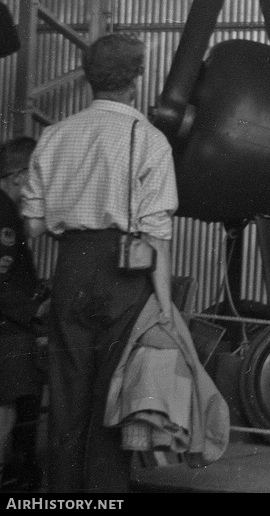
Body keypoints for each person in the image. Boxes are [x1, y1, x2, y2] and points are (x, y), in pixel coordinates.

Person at [21, 34, 178, 494]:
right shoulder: (150, 140)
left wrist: (69, 214)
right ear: (137, 75)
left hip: (71, 266)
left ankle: (62, 495)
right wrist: (165, 307)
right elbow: (157, 235)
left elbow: (31, 226)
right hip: (127, 274)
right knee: (116, 392)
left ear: (89, 76)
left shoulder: (54, 135)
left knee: (66, 390)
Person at [0, 136, 45, 491]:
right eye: (37, 175)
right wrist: (36, 310)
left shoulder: (9, 212)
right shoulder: (4, 214)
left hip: (11, 324)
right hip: (8, 330)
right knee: (5, 410)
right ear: (17, 177)